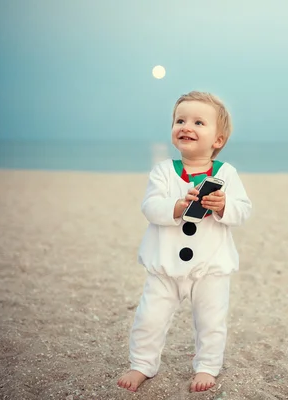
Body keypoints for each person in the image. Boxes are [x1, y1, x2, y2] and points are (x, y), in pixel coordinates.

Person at [117, 91, 252, 393]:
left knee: (210, 321)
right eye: (180, 120)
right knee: (149, 318)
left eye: (198, 122)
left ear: (218, 140)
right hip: (164, 265)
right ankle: (141, 363)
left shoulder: (226, 174)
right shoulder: (163, 171)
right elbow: (150, 206)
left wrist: (223, 205)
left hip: (210, 266)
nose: (186, 126)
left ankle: (206, 366)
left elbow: (243, 210)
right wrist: (177, 206)